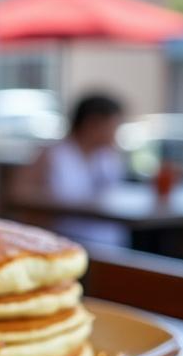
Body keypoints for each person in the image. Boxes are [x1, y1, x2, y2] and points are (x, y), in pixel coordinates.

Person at [18, 92, 126, 245]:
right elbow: (21, 196)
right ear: (92, 123)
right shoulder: (53, 155)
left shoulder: (107, 157)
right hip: (65, 238)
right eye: (113, 126)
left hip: (108, 238)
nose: (115, 133)